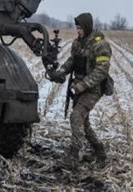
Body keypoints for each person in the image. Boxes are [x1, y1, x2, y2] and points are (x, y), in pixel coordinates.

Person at [47, 12, 113, 170]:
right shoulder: (77, 43)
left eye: (80, 28)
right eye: (77, 28)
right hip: (78, 87)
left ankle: (73, 157)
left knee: (76, 116)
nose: (78, 31)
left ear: (87, 27)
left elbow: (101, 71)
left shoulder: (101, 46)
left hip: (93, 89)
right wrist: (61, 72)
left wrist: (82, 85)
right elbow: (72, 61)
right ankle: (100, 152)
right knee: (83, 122)